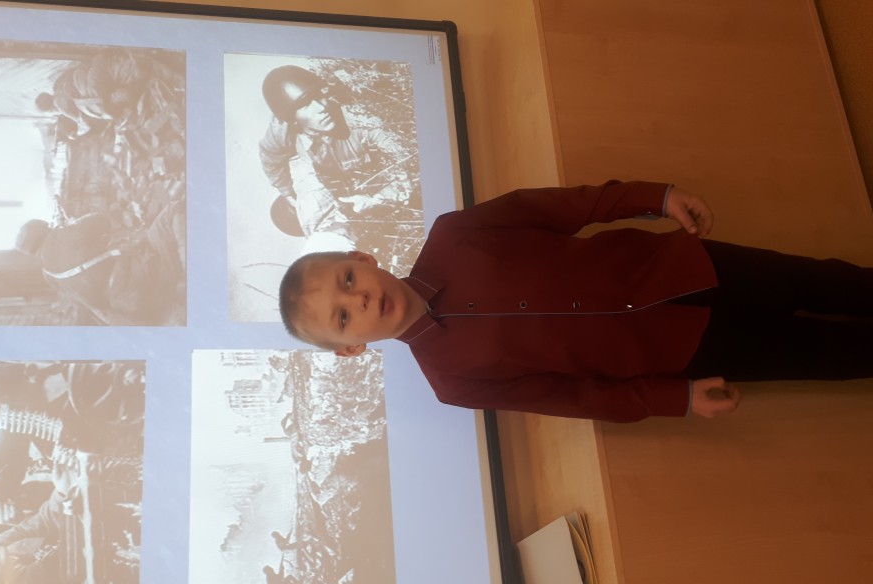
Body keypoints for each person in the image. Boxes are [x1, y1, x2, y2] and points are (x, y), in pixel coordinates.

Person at [277, 180, 873, 423]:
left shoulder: (454, 234)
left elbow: (565, 208)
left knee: (823, 281)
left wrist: (656, 197)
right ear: (350, 349)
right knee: (822, 355)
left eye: (348, 280)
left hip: (683, 267)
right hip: (680, 354)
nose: (361, 299)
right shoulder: (453, 383)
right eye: (343, 316)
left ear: (362, 258)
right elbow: (574, 397)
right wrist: (680, 399)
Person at [259, 64, 414, 240]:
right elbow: (270, 157)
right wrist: (287, 193)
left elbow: (407, 165)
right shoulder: (283, 132)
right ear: (292, 120)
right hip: (339, 186)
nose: (320, 108)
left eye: (318, 96)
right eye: (305, 105)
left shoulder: (359, 120)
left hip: (374, 184)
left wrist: (377, 199)